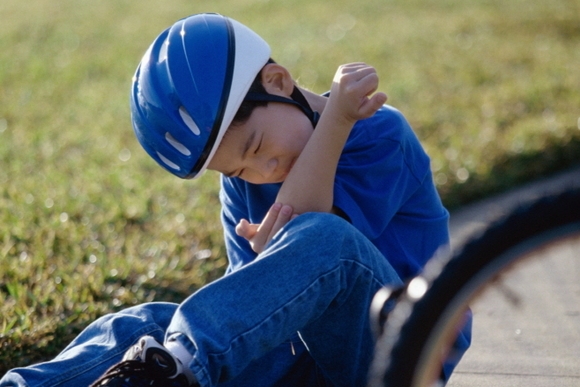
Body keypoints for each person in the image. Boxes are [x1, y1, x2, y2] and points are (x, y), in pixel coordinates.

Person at [0, 13, 470, 387]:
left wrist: (338, 120)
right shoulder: (242, 182)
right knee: (140, 327)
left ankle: (175, 369)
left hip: (402, 353)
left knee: (324, 239)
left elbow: (322, 244)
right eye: (237, 169)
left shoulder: (377, 133)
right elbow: (250, 311)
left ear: (279, 82)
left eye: (256, 149)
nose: (259, 172)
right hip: (303, 365)